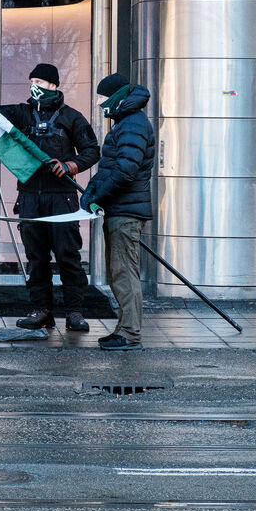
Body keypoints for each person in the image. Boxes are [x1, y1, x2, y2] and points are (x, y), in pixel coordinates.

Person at [0, 63, 100, 332]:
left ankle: (74, 312)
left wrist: (70, 165)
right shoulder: (21, 113)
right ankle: (41, 311)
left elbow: (92, 151)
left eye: (40, 83)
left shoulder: (72, 117)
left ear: (54, 85)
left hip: (62, 199)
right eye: (32, 82)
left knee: (68, 256)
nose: (35, 87)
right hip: (30, 198)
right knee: (36, 258)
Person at [80, 73, 155, 351]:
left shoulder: (133, 124)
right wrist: (92, 192)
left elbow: (125, 170)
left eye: (102, 98)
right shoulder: (127, 122)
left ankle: (130, 334)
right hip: (120, 209)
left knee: (124, 273)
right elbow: (111, 168)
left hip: (125, 212)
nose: (99, 103)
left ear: (116, 97)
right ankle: (123, 329)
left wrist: (97, 194)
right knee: (118, 273)